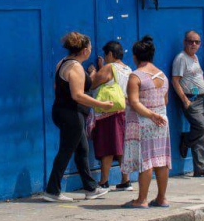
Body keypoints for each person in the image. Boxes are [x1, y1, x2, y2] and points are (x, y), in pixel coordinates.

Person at [43, 32, 114, 203]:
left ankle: (90, 188)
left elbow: (58, 87)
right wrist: (101, 104)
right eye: (89, 48)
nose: (90, 50)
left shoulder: (63, 63)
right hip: (72, 114)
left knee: (82, 149)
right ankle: (52, 191)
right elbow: (77, 95)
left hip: (62, 111)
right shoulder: (75, 67)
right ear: (84, 50)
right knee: (66, 151)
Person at [121, 36, 172, 208]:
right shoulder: (163, 76)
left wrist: (150, 115)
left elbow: (135, 102)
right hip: (162, 121)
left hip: (144, 122)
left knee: (147, 160)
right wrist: (156, 114)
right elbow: (165, 101)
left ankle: (141, 200)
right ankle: (162, 198)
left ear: (135, 57)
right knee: (161, 159)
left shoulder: (136, 76)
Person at [171, 30, 204, 178]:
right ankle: (186, 139)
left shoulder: (195, 57)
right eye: (191, 41)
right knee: (201, 127)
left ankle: (200, 168)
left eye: (197, 42)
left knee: (201, 136)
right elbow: (175, 81)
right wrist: (185, 100)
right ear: (184, 42)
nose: (194, 44)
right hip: (191, 99)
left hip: (203, 98)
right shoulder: (181, 58)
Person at [87, 41, 134, 191]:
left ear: (111, 54)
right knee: (121, 146)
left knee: (107, 146)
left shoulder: (109, 67)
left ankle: (104, 181)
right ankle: (125, 180)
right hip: (124, 112)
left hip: (108, 113)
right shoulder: (128, 69)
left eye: (106, 55)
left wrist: (93, 72)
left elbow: (92, 84)